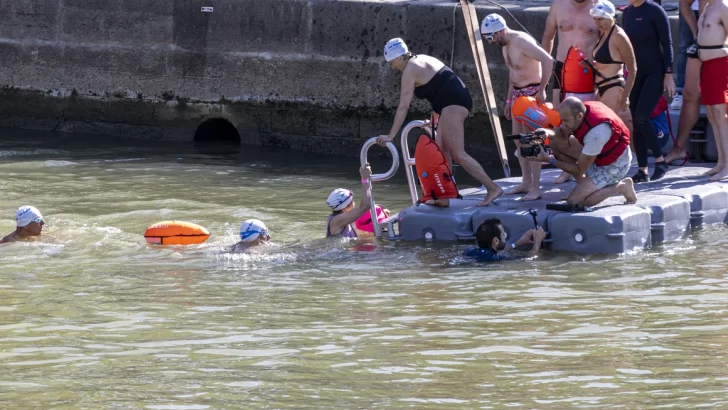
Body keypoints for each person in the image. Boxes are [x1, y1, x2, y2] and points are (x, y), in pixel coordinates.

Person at [375, 38, 503, 206]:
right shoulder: (421, 59)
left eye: (392, 63)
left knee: (458, 153)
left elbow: (403, 107)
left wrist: (391, 135)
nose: (393, 67)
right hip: (451, 102)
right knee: (440, 150)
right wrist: (435, 119)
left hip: (454, 104)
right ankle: (444, 196)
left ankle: (492, 188)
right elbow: (440, 86)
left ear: (399, 57)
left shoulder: (410, 71)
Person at [481, 13, 554, 201]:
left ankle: (536, 188)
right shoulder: (505, 44)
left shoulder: (521, 41)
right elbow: (513, 74)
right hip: (517, 96)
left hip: (531, 94)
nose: (490, 42)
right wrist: (507, 101)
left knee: (532, 141)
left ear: (500, 30)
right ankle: (526, 182)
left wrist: (542, 90)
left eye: (490, 37)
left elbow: (548, 60)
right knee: (518, 140)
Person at [527, 97, 638, 206]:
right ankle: (585, 187)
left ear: (579, 116)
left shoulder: (595, 134)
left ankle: (622, 186)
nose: (563, 124)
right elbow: (560, 133)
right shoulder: (581, 111)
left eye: (566, 121)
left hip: (614, 164)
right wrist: (546, 132)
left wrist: (548, 159)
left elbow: (580, 169)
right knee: (556, 141)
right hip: (599, 153)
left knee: (575, 202)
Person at [542, 0, 600, 183]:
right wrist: (544, 68)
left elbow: (610, 38)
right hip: (561, 69)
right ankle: (567, 167)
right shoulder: (558, 5)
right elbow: (548, 36)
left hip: (589, 70)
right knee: (560, 120)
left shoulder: (599, 6)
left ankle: (589, 165)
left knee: (588, 120)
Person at [623, 0, 676, 183]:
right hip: (635, 73)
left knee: (642, 118)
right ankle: (642, 169)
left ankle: (660, 161)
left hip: (655, 72)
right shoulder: (627, 13)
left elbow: (667, 43)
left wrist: (668, 73)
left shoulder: (655, 10)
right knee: (635, 120)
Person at [665, 0, 708, 165]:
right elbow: (684, 3)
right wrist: (698, 33)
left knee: (717, 105)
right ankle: (679, 148)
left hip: (720, 46)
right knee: (690, 96)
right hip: (704, 40)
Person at [586, 0, 637, 135]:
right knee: (599, 125)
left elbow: (633, 69)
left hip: (613, 86)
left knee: (606, 127)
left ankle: (630, 155)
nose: (598, 23)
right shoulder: (603, 33)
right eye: (595, 19)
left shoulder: (619, 36)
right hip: (601, 86)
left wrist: (626, 96)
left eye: (601, 19)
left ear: (610, 17)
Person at [696, 0, 728, 180]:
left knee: (720, 113)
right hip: (706, 64)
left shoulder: (723, 6)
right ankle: (721, 162)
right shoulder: (708, 6)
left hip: (720, 65)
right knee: (711, 114)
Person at [463, 218, 547, 262]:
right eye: (503, 234)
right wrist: (537, 242)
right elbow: (530, 259)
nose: (505, 236)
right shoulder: (494, 259)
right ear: (496, 240)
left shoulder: (470, 251)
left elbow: (500, 249)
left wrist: (519, 242)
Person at [326, 165, 373, 238]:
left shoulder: (343, 219)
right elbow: (365, 206)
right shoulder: (338, 220)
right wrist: (364, 178)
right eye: (352, 201)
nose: (354, 202)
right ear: (344, 208)